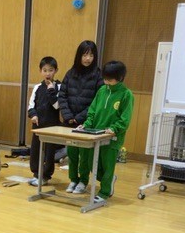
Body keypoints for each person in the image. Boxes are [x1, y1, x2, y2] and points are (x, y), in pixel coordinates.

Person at [79, 61, 134, 202]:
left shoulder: (126, 94)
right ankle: (109, 181)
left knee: (107, 166)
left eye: (110, 79)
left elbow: (125, 118)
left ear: (120, 78)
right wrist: (86, 124)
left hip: (112, 138)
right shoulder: (102, 90)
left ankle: (104, 192)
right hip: (96, 135)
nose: (106, 82)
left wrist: (114, 129)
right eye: (105, 78)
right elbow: (92, 110)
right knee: (93, 165)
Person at [58, 40, 104, 194]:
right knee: (72, 153)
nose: (87, 58)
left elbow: (97, 101)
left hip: (86, 123)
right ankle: (73, 179)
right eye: (85, 55)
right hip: (70, 122)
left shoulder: (98, 75)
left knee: (84, 155)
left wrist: (79, 117)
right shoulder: (70, 73)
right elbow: (62, 95)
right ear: (79, 56)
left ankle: (83, 181)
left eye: (91, 55)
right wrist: (68, 115)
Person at [28, 56, 62, 186]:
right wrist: (33, 115)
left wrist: (51, 90)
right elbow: (31, 105)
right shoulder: (37, 87)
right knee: (35, 150)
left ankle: (46, 176)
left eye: (51, 70)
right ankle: (36, 174)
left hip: (52, 126)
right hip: (38, 125)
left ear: (56, 71)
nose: (48, 73)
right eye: (45, 70)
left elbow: (57, 105)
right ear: (40, 71)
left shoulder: (59, 86)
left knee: (49, 152)